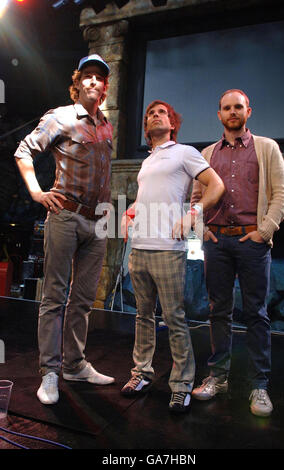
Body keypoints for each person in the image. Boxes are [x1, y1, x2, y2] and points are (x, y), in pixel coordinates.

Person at [14, 54, 115, 405]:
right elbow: (24, 151)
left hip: (98, 220)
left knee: (84, 299)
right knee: (55, 296)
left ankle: (74, 364)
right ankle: (50, 372)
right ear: (78, 83)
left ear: (104, 88)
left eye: (99, 78)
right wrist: (37, 192)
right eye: (86, 76)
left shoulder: (106, 125)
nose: (93, 82)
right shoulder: (61, 116)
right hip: (66, 215)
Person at [120, 100, 225, 413]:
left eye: (161, 112)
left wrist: (193, 212)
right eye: (150, 113)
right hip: (139, 248)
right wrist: (131, 211)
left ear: (173, 122)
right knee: (142, 316)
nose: (155, 116)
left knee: (175, 318)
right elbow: (148, 197)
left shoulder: (185, 153)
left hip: (168, 249)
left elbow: (216, 185)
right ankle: (141, 374)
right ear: (146, 126)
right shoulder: (148, 161)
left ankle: (180, 386)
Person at [191, 89, 284, 417]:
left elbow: (282, 196)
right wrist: (201, 229)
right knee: (218, 312)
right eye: (226, 108)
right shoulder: (206, 153)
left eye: (238, 107)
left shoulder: (267, 148)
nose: (232, 112)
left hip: (252, 244)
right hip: (216, 242)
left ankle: (259, 385)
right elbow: (195, 198)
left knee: (257, 314)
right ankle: (218, 378)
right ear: (219, 114)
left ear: (249, 111)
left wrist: (264, 231)